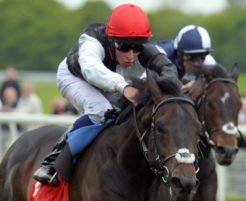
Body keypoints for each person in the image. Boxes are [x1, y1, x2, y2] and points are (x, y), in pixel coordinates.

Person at [33, 3, 178, 186]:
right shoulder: (91, 40)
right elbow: (91, 70)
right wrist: (123, 86)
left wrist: (172, 90)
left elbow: (168, 67)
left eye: (137, 48)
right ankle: (53, 162)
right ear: (112, 38)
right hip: (75, 77)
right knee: (101, 111)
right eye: (125, 47)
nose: (131, 55)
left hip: (109, 84)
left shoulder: (136, 46)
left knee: (125, 114)